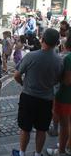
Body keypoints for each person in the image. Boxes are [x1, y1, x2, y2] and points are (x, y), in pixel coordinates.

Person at [12, 28, 63, 156]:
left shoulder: (31, 56)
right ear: (57, 43)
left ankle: (22, 153)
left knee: (25, 129)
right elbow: (57, 80)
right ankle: (38, 154)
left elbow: (16, 75)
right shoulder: (59, 61)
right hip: (46, 100)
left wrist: (23, 84)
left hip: (28, 97)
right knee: (42, 130)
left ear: (42, 40)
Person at [46, 36, 71, 156]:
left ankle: (61, 151)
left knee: (65, 125)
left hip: (65, 96)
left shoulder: (68, 58)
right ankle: (68, 146)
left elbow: (67, 81)